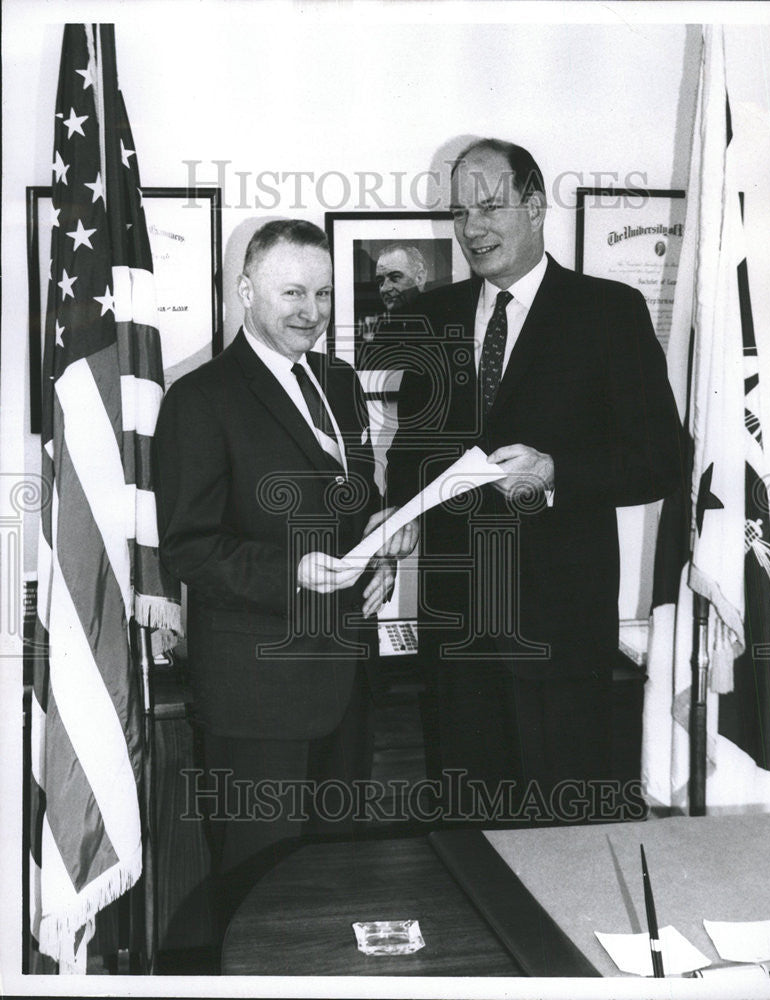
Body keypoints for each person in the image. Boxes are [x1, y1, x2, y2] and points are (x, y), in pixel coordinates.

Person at [384, 139, 682, 824]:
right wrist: (398, 519)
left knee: (564, 830)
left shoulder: (606, 311)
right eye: (460, 211)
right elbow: (410, 456)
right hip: (456, 630)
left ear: (534, 206)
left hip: (557, 631)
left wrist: (556, 474)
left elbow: (659, 459)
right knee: (468, 830)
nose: (472, 228)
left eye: (488, 206)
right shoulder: (427, 318)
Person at [153, 219, 410, 934]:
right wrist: (293, 573)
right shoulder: (198, 400)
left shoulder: (336, 381)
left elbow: (351, 504)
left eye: (323, 293)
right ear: (244, 291)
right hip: (256, 696)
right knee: (258, 898)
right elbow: (189, 548)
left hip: (347, 683)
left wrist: (380, 551)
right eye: (292, 291)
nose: (311, 310)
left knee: (331, 890)